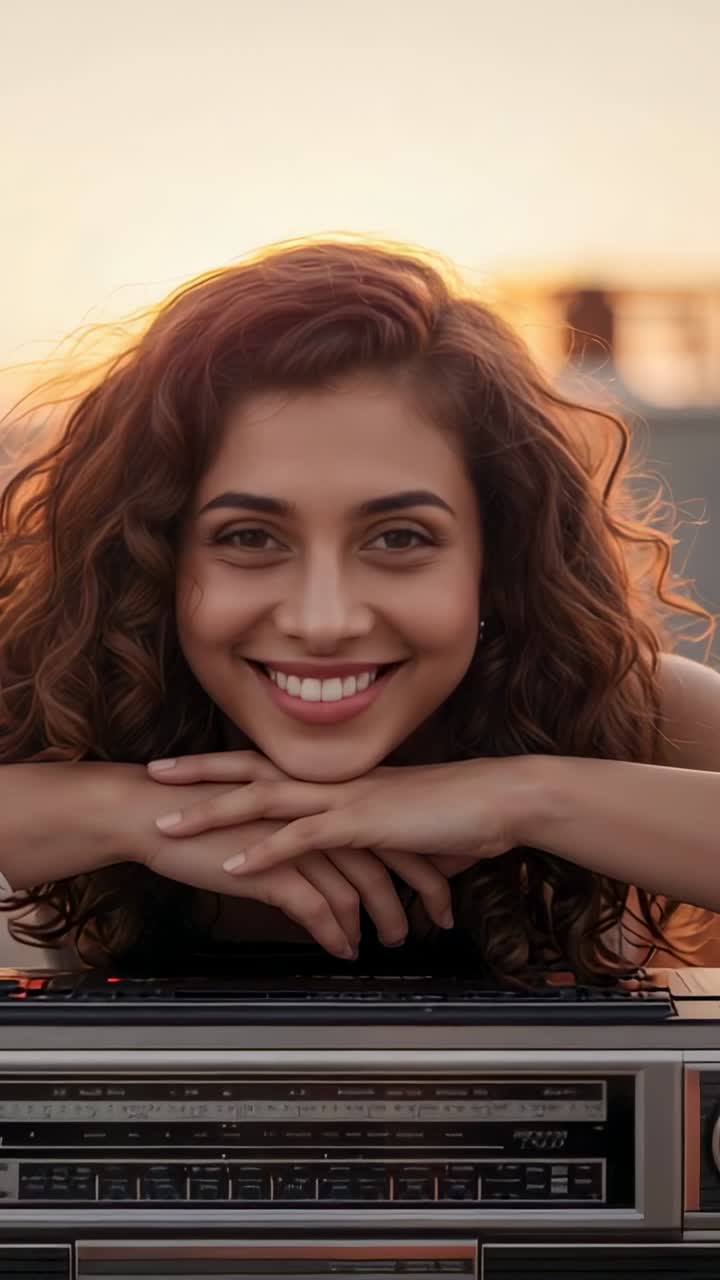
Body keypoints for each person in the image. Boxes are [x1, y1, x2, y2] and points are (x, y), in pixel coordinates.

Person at [1, 233, 719, 985]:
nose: (324, 621)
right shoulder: (60, 705)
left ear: (498, 558)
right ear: (154, 555)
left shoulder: (634, 714)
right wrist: (119, 811)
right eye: (249, 537)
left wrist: (530, 798)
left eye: (399, 537)